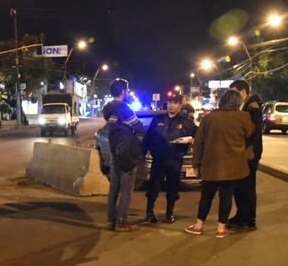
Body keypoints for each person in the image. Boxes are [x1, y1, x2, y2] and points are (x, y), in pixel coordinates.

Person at [186, 89, 254, 238]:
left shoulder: (210, 118)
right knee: (226, 196)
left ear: (222, 101)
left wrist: (196, 163)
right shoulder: (244, 117)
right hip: (234, 165)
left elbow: (199, 142)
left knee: (206, 196)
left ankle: (199, 225)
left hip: (211, 164)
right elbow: (249, 133)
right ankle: (221, 229)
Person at [143, 94, 197, 223]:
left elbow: (198, 134)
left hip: (174, 159)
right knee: (153, 187)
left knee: (172, 188)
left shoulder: (186, 122)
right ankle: (149, 212)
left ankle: (169, 213)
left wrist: (192, 139)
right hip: (159, 158)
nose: (171, 105)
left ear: (180, 105)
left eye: (175, 102)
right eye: (170, 102)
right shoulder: (158, 119)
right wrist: (143, 152)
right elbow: (148, 137)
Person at [102, 78, 144, 232]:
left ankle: (110, 220)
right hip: (127, 155)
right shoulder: (124, 109)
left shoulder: (108, 108)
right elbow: (139, 127)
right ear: (122, 92)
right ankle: (122, 222)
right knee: (126, 189)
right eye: (126, 90)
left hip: (114, 152)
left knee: (114, 188)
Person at [227, 79, 262, 230]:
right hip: (245, 152)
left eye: (234, 92)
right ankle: (241, 215)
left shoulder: (252, 107)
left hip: (249, 153)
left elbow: (253, 132)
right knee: (240, 186)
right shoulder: (246, 106)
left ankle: (248, 219)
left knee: (247, 187)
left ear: (242, 92)